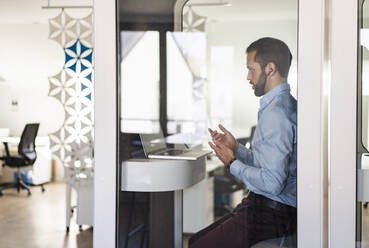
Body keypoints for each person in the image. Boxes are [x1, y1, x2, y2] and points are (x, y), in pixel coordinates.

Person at [189, 37, 297, 248]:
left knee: (197, 245)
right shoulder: (285, 104)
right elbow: (269, 164)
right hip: (266, 207)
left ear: (270, 69)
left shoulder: (275, 113)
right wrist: (236, 148)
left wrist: (231, 163)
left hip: (271, 212)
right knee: (196, 241)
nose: (248, 76)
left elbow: (273, 183)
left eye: (251, 69)